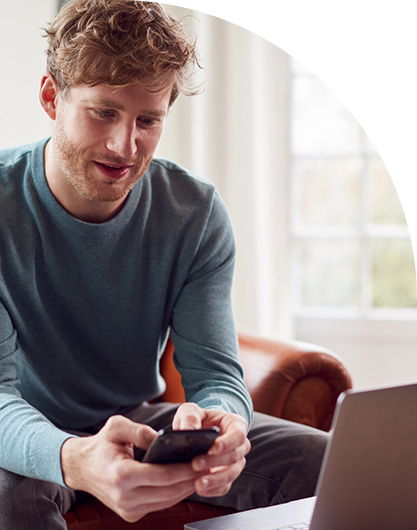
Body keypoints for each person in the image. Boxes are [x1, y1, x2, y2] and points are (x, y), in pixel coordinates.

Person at [0, 1, 328, 528]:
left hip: (140, 424)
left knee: (332, 464)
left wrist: (226, 425)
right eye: (103, 111)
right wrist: (73, 458)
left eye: (148, 120)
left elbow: (216, 374)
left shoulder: (194, 213)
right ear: (50, 97)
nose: (124, 146)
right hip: (25, 430)